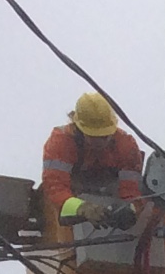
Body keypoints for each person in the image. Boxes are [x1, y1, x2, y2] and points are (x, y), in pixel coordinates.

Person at [39, 90, 146, 242]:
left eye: (105, 136)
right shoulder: (61, 142)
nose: (101, 142)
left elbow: (133, 191)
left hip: (112, 219)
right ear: (79, 128)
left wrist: (130, 210)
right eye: (94, 136)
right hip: (71, 224)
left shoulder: (126, 146)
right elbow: (55, 188)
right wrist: (82, 208)